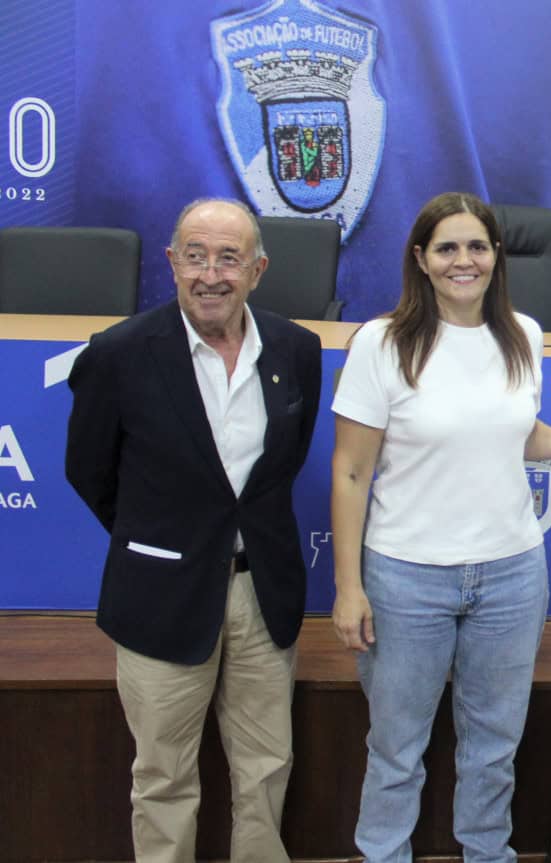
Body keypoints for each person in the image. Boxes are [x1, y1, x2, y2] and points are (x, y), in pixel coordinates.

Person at [329, 192, 551, 863]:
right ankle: (383, 853)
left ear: (496, 256)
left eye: (478, 247)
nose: (465, 260)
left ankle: (487, 852)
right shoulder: (382, 342)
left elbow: (507, 434)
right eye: (448, 248)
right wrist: (350, 588)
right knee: (396, 746)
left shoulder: (523, 333)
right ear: (421, 260)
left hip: (513, 576)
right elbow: (349, 473)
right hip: (406, 578)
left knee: (494, 744)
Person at [64, 198, 323, 863]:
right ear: (172, 262)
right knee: (163, 775)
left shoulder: (296, 349)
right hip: (159, 595)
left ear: (258, 270)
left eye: (229, 258)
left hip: (263, 593)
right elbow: (88, 470)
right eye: (196, 255)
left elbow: (280, 467)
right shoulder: (119, 354)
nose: (211, 274)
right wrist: (163, 538)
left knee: (267, 766)